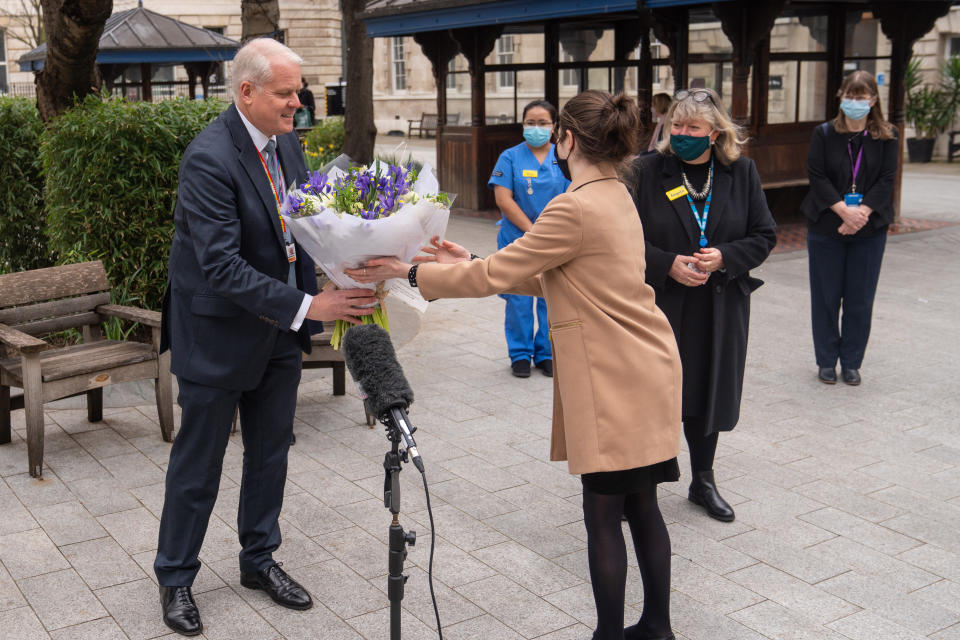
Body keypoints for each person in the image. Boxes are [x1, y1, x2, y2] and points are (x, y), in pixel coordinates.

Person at [348, 90, 683, 640]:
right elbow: (560, 273)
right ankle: (657, 627)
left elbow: (496, 278)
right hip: (645, 365)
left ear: (567, 139)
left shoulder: (573, 204)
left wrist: (409, 273)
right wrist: (476, 260)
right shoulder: (616, 193)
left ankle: (610, 634)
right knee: (641, 504)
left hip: (613, 376)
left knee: (603, 513)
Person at [154, 38, 376, 637]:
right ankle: (175, 577)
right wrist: (311, 305)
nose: (298, 102)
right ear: (246, 91)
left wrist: (355, 264)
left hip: (278, 332)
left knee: (270, 454)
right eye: (286, 92)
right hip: (217, 337)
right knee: (198, 467)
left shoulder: (287, 144)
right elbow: (222, 267)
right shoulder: (208, 159)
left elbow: (305, 229)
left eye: (298, 90)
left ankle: (259, 561)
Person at [629, 88, 776, 523]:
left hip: (717, 304)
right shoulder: (646, 170)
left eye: (693, 127)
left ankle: (703, 480)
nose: (682, 133)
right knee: (655, 393)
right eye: (676, 125)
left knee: (707, 390)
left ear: (715, 133)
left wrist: (725, 257)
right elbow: (625, 238)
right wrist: (666, 264)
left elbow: (764, 234)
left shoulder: (741, 172)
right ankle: (639, 485)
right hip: (662, 304)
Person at [802, 70, 897, 386]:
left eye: (861, 97)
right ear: (841, 97)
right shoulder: (824, 134)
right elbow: (817, 176)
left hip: (870, 230)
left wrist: (862, 213)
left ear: (873, 100)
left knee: (860, 299)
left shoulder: (887, 135)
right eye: (850, 96)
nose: (855, 102)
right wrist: (844, 211)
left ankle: (852, 362)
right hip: (826, 226)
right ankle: (827, 361)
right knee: (826, 297)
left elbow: (886, 179)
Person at [489, 99, 570, 377]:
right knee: (519, 297)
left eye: (543, 123)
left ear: (554, 126)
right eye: (530, 123)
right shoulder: (509, 157)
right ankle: (520, 354)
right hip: (517, 239)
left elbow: (573, 196)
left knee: (552, 296)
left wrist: (548, 233)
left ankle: (547, 352)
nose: (536, 128)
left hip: (555, 240)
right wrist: (533, 231)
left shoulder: (565, 157)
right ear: (523, 125)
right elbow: (503, 198)